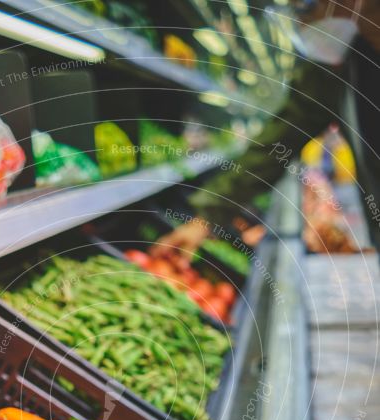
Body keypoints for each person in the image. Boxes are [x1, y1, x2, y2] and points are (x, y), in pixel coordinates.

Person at [155, 0, 380, 254]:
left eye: (306, 7)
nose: (301, 24)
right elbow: (277, 142)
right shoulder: (335, 69)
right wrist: (206, 217)